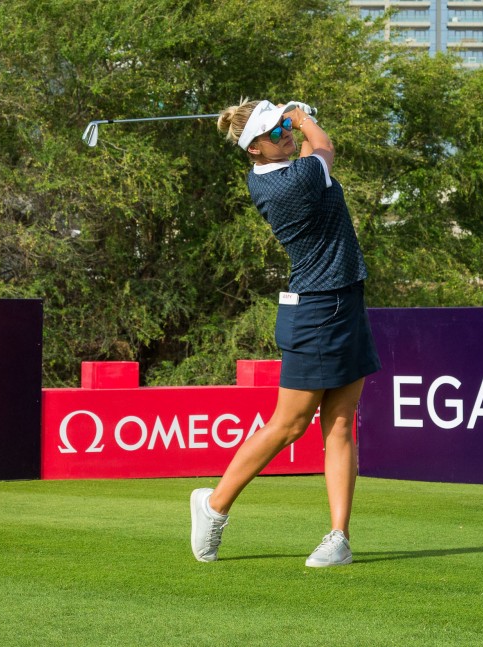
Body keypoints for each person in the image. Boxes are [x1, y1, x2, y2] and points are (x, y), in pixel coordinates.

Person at [190, 99, 381, 568]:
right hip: (316, 309)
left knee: (339, 423)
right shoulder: (290, 182)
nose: (286, 135)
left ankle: (339, 537)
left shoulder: (285, 169)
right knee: (289, 424)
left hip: (346, 300)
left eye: (283, 128)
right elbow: (326, 147)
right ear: (255, 149)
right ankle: (213, 507)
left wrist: (289, 115)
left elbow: (315, 149)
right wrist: (301, 116)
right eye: (276, 132)